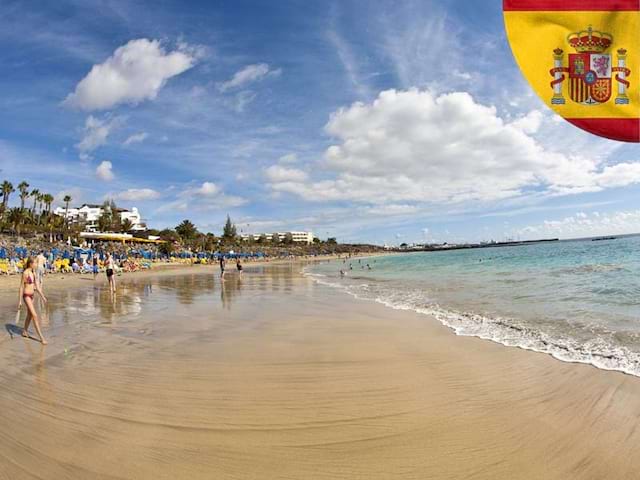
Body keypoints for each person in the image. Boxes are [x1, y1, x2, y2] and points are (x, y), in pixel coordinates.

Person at [18, 257, 48, 344]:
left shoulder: (33, 273)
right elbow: (21, 287)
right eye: (35, 263)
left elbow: (37, 287)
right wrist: (19, 301)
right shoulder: (25, 273)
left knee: (30, 315)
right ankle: (41, 337)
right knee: (34, 315)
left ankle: (24, 331)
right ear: (30, 264)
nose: (36, 265)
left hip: (32, 296)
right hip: (26, 296)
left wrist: (43, 297)